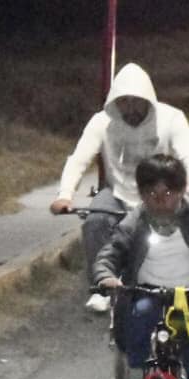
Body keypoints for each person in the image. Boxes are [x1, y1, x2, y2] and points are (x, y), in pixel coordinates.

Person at [49, 63, 189, 312]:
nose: (131, 108)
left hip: (161, 194)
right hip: (117, 192)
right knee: (95, 220)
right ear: (115, 101)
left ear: (149, 99)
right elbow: (79, 158)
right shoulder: (101, 123)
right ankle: (100, 288)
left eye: (137, 101)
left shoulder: (171, 119)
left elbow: (187, 157)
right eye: (124, 102)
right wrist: (65, 194)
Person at [94, 153, 189, 371]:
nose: (160, 200)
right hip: (148, 293)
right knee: (140, 316)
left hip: (186, 296)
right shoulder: (135, 222)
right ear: (141, 194)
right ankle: (137, 375)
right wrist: (106, 276)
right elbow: (111, 253)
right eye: (151, 193)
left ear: (182, 190)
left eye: (167, 193)